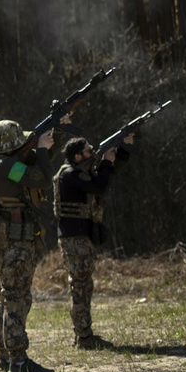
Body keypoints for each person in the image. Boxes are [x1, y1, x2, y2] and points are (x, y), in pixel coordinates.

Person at [0, 116, 69, 372]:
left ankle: (6, 357)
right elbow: (41, 178)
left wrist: (56, 134)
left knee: (7, 298)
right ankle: (18, 360)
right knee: (17, 299)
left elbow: (38, 163)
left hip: (7, 239)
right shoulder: (8, 166)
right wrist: (40, 148)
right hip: (16, 241)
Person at [54, 134, 133, 349]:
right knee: (80, 285)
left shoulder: (80, 172)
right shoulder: (70, 174)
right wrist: (106, 161)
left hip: (81, 236)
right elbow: (100, 186)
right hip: (75, 239)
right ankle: (84, 337)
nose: (93, 152)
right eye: (89, 151)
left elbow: (109, 174)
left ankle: (83, 334)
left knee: (83, 285)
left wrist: (122, 150)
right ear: (78, 156)